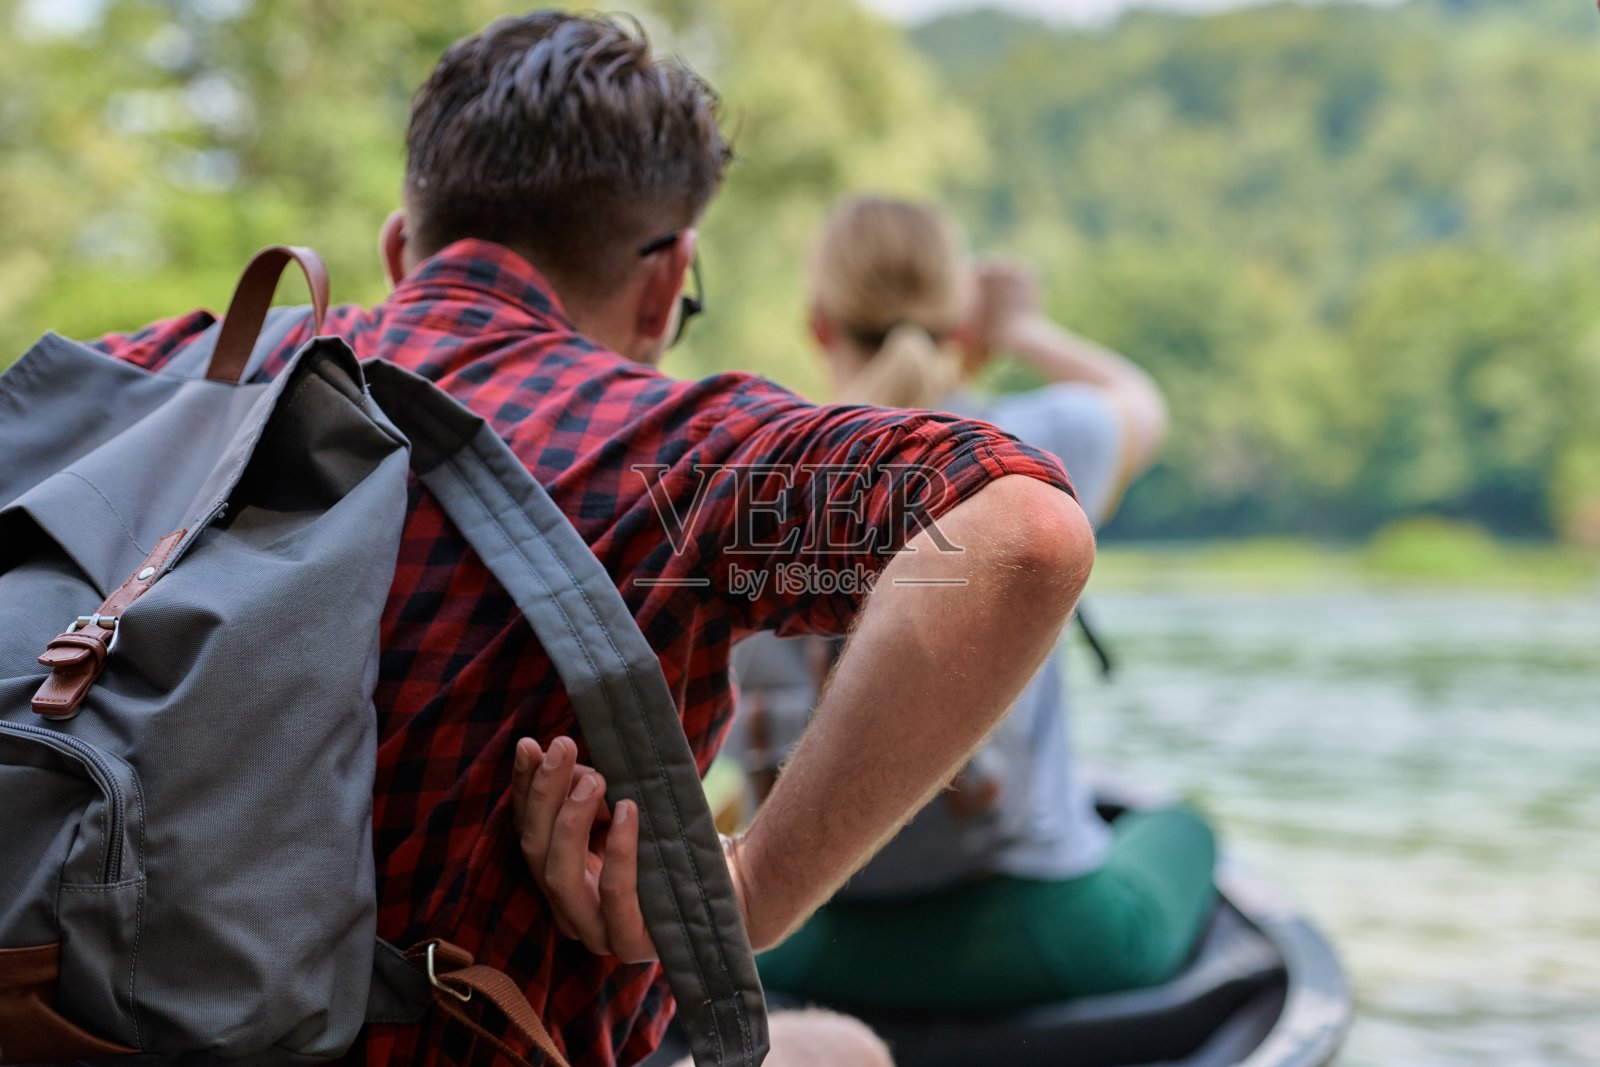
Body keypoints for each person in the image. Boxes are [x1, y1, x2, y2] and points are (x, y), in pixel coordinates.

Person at [88, 16, 1095, 1067]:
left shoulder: (160, 383)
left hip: (79, 1023)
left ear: (400, 249)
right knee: (842, 1049)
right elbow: (1018, 533)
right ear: (666, 284)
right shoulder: (675, 465)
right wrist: (745, 890)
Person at [733, 195, 1216, 1011]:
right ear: (960, 324)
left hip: (808, 951)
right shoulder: (1035, 442)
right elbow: (1142, 401)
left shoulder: (746, 474)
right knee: (1188, 832)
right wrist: (1023, 329)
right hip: (1030, 937)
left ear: (819, 325)